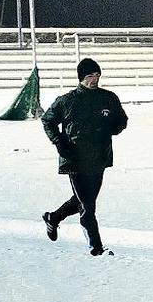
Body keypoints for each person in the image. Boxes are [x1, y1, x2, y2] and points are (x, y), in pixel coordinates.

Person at [41, 58, 128, 256]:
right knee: (88, 205)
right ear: (81, 78)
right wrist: (59, 142)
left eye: (97, 75)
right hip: (75, 158)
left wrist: (115, 126)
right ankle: (96, 248)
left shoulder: (108, 97)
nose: (94, 80)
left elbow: (121, 119)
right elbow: (48, 120)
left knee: (83, 200)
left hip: (99, 157)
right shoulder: (67, 100)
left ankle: (53, 218)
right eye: (90, 76)